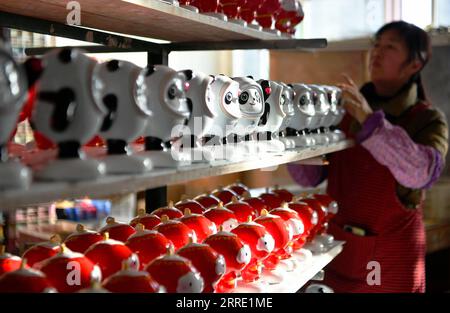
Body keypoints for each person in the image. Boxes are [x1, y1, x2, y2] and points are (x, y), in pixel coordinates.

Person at [288, 21, 448, 293]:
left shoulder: (427, 120)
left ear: (415, 65)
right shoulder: (345, 111)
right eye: (376, 44)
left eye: (390, 47)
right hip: (340, 249)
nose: (377, 52)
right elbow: (309, 177)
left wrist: (368, 120)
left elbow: (421, 173)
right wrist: (295, 132)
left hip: (392, 256)